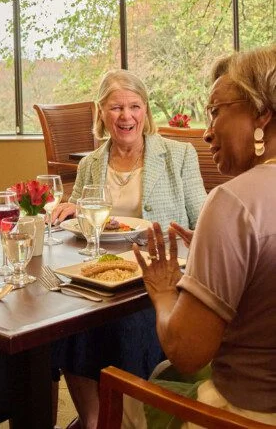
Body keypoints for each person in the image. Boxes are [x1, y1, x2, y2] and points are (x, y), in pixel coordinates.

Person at [125, 44, 276, 427]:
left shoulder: (232, 202)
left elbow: (187, 352)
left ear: (261, 112)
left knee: (125, 392)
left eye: (214, 111)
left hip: (244, 417)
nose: (207, 133)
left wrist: (163, 292)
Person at [51, 69, 207, 429]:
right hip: (101, 273)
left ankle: (131, 418)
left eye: (135, 106)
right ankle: (93, 419)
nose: (126, 117)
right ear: (101, 113)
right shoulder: (91, 163)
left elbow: (201, 225)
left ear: (146, 111)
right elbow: (79, 219)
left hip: (156, 277)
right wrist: (68, 210)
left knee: (128, 325)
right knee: (68, 322)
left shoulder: (178, 155)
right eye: (116, 107)